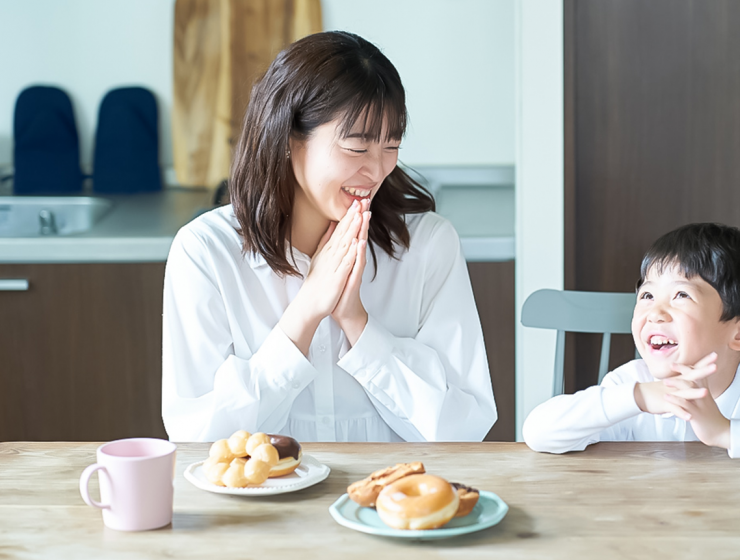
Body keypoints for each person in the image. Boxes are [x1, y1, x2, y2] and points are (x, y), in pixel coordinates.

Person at [162, 31, 497, 442]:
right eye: (357, 149)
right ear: (288, 138)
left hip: (390, 503)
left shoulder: (428, 245)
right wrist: (305, 313)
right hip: (263, 507)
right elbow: (198, 438)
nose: (377, 171)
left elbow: (465, 428)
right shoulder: (204, 252)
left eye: (390, 146)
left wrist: (357, 323)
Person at [522, 223, 740, 468]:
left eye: (681, 295)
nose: (655, 313)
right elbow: (538, 432)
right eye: (647, 295)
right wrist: (641, 396)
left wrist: (723, 431)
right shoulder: (633, 384)